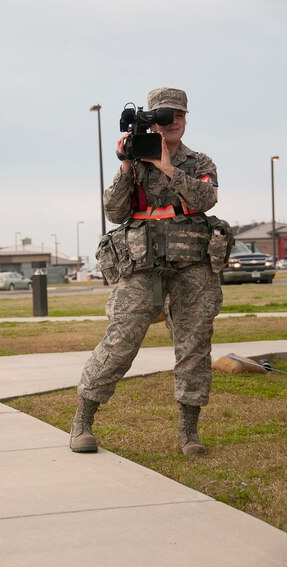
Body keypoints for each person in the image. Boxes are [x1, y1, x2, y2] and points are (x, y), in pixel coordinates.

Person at [70, 87, 227, 456]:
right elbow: (115, 212)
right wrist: (127, 165)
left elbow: (204, 200)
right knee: (120, 342)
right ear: (151, 121)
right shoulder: (135, 161)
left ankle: (189, 431)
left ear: (186, 120)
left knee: (194, 347)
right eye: (162, 116)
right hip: (141, 267)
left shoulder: (200, 163)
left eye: (178, 115)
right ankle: (83, 420)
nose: (171, 122)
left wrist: (167, 166)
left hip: (193, 268)